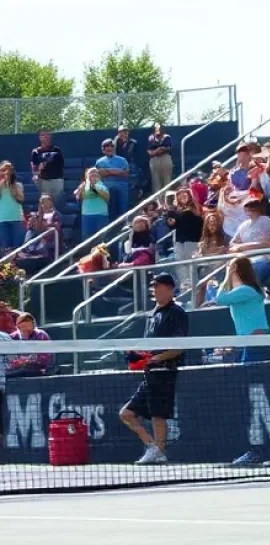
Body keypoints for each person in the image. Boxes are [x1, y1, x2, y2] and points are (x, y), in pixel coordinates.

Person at [119, 273, 187, 465]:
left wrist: (157, 358)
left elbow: (178, 347)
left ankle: (160, 450)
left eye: (159, 286)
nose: (155, 290)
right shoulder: (154, 314)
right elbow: (149, 345)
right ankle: (153, 447)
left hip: (165, 371)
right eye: (154, 287)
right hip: (150, 373)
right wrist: (138, 355)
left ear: (170, 289)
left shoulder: (177, 313)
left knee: (159, 415)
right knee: (126, 414)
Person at [217, 256, 270, 363]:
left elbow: (220, 299)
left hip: (254, 340)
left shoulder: (245, 290)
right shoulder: (246, 291)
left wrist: (228, 276)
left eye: (230, 268)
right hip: (250, 340)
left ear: (235, 269)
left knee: (249, 374)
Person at [3, 312, 54, 378]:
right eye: (23, 326)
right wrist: (16, 363)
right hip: (16, 372)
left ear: (33, 325)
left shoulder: (41, 335)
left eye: (28, 325)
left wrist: (29, 362)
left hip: (39, 371)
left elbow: (46, 359)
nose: (26, 329)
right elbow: (7, 359)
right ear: (18, 327)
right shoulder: (12, 337)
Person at [30, 131, 65, 211]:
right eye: (44, 136)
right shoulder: (36, 151)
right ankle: (43, 220)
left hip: (56, 179)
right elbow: (34, 167)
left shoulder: (57, 150)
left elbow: (61, 164)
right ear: (40, 138)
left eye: (48, 135)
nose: (46, 138)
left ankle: (56, 220)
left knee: (57, 202)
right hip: (43, 180)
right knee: (45, 201)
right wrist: (38, 171)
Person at [75, 167, 109, 239]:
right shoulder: (83, 186)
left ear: (99, 176)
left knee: (101, 239)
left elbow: (107, 197)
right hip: (87, 216)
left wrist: (93, 187)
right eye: (91, 172)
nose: (93, 174)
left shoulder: (103, 186)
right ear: (86, 176)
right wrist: (81, 188)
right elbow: (78, 197)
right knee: (87, 239)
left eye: (95, 172)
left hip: (101, 215)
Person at [0, 161, 25, 253]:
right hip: (2, 219)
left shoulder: (18, 185)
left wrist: (11, 183)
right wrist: (3, 181)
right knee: (5, 248)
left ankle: (16, 266)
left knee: (17, 248)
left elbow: (20, 198)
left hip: (16, 218)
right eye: (3, 170)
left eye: (8, 170)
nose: (6, 172)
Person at [147, 123, 174, 194]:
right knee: (156, 182)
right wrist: (157, 150)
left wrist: (158, 150)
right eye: (156, 128)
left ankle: (167, 201)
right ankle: (158, 202)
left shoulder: (166, 137)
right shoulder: (151, 137)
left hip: (165, 158)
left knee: (167, 181)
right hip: (154, 160)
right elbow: (149, 151)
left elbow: (166, 148)